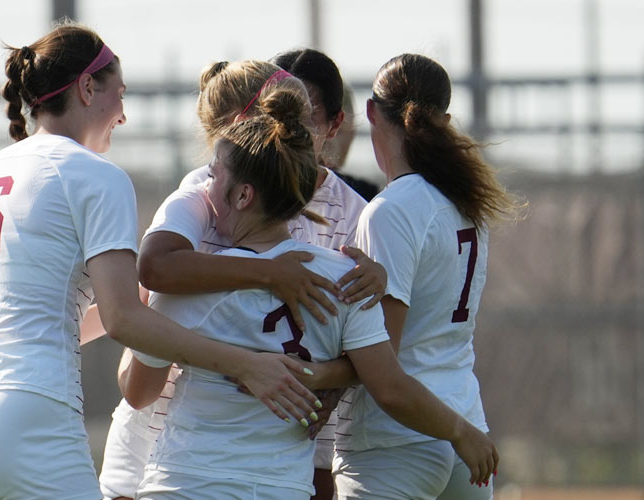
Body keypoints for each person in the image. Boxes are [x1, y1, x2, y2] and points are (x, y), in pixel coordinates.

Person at [0, 23, 319, 499]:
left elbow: (40, 311)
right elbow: (124, 319)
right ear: (88, 88)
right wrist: (246, 364)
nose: (123, 115)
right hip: (24, 406)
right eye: (119, 93)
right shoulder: (95, 173)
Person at [131, 70, 495, 500]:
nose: (207, 185)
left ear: (244, 195)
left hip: (188, 481)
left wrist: (147, 336)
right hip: (288, 484)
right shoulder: (348, 280)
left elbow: (138, 389)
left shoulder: (189, 286)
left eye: (215, 176)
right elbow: (379, 371)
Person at [99, 57, 383, 500]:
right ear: (241, 123)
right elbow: (155, 269)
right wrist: (268, 274)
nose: (288, 129)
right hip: (166, 440)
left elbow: (372, 349)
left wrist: (319, 374)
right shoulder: (206, 191)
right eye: (278, 112)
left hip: (281, 455)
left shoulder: (354, 211)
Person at [328, 53, 518, 500]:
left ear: (371, 112)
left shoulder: (391, 210)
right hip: (464, 427)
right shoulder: (466, 201)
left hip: (396, 441)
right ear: (445, 120)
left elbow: (384, 368)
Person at [273, 49, 377, 201]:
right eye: (274, 111)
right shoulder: (235, 195)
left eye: (305, 116)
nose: (285, 126)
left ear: (335, 124)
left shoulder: (355, 214)